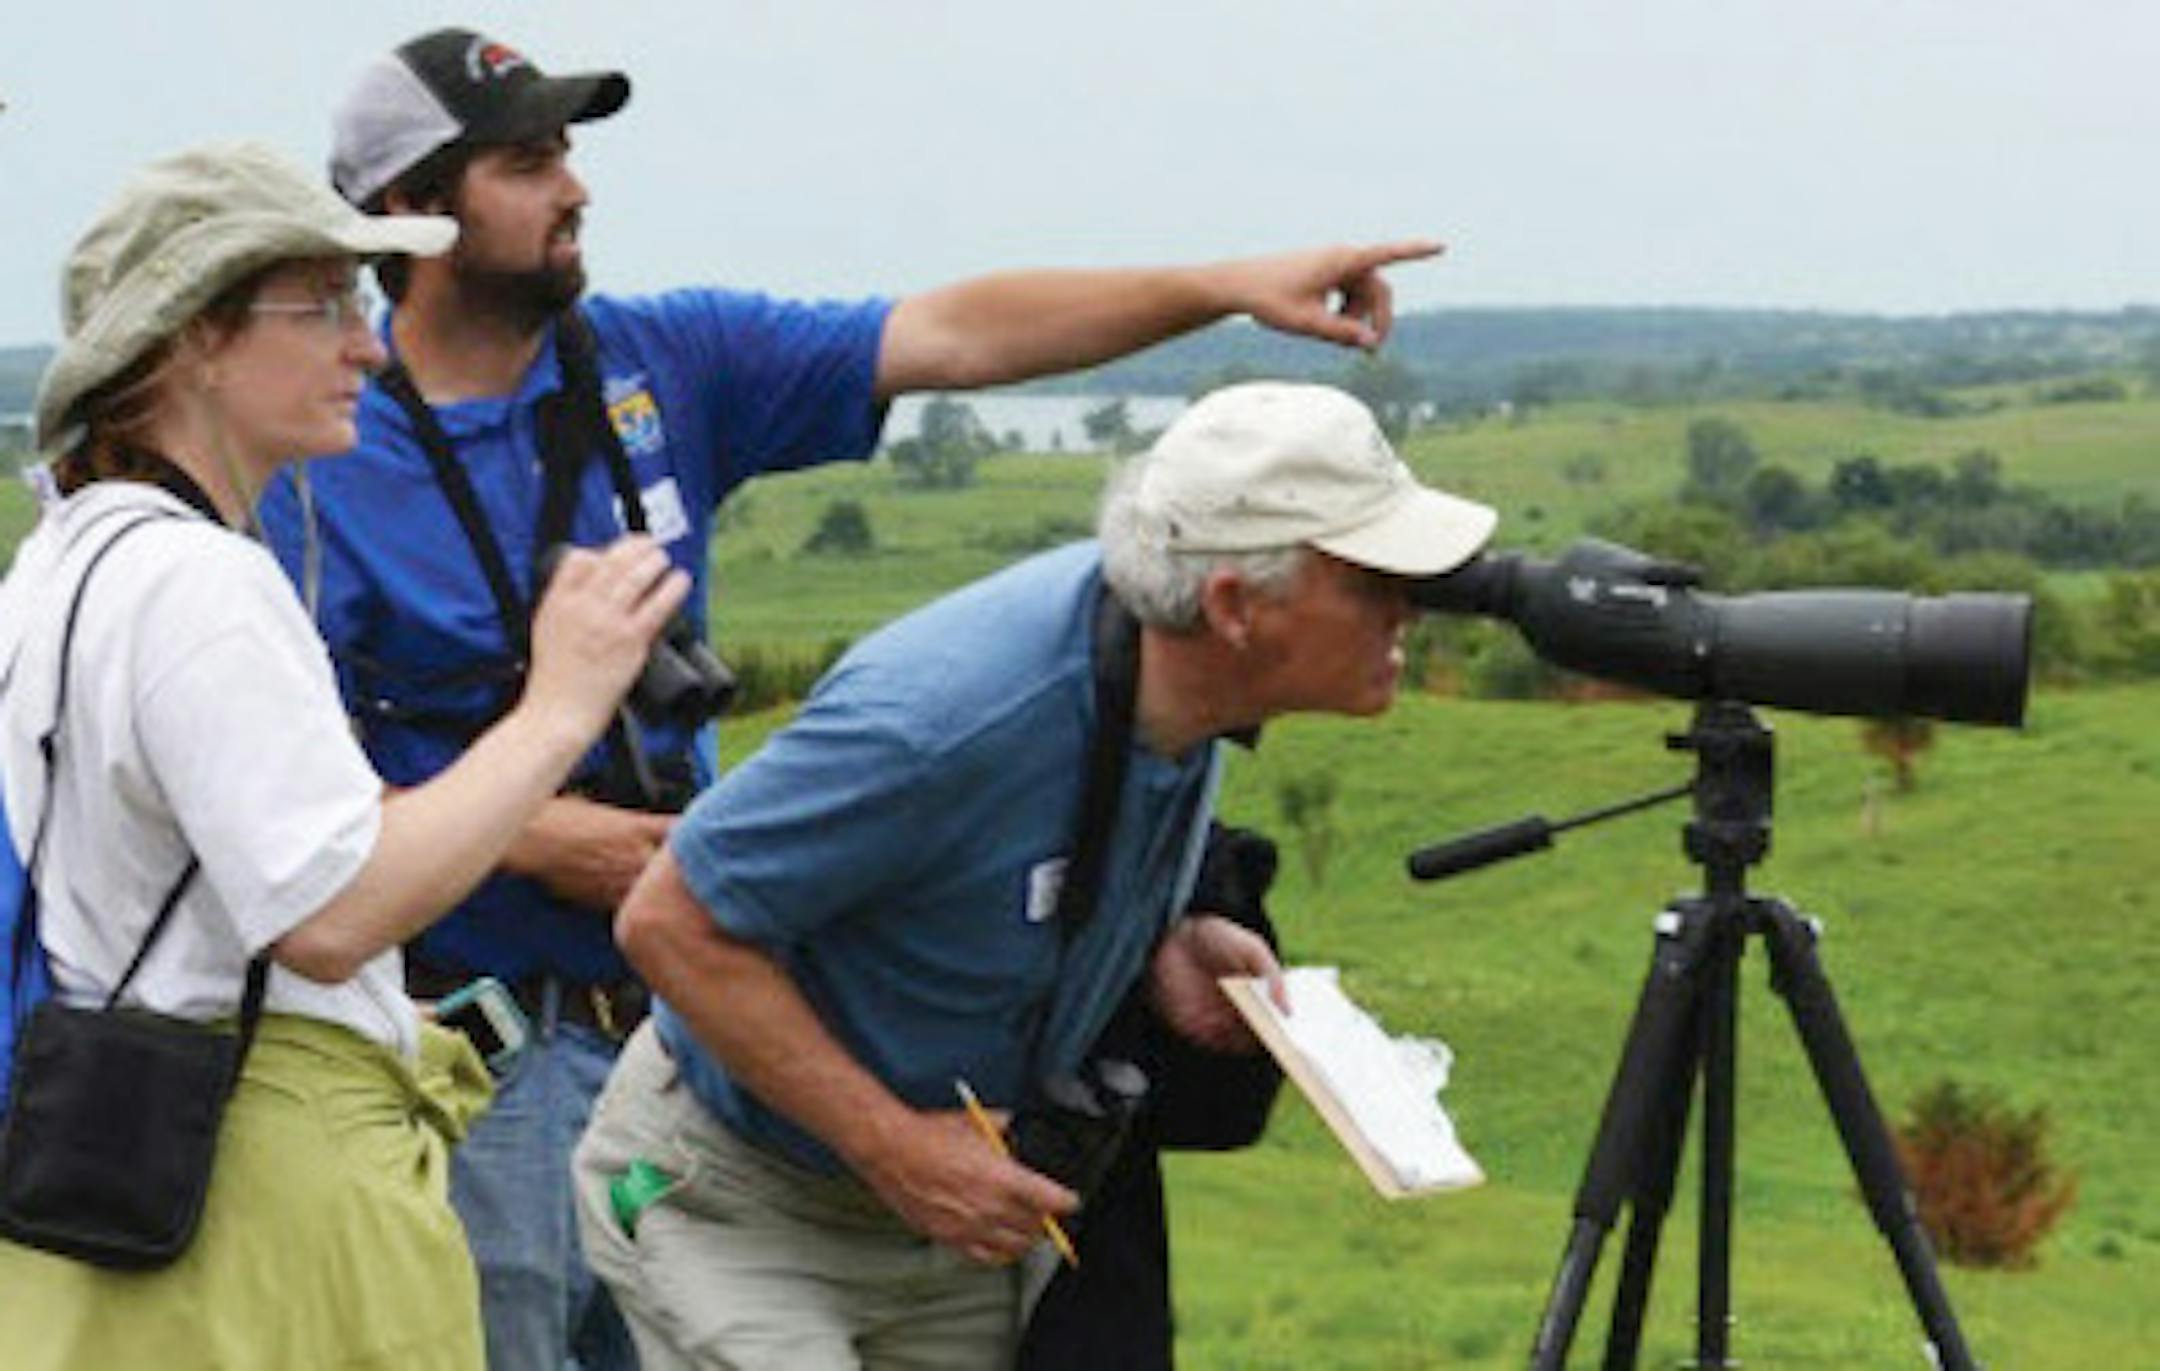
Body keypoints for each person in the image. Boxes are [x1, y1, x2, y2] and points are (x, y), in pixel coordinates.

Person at [254, 26, 1445, 1370]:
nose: (575, 189)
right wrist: (534, 832)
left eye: (568, 154)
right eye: (526, 164)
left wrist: (1226, 288)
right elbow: (273, 804)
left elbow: (950, 333)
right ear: (411, 209)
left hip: (692, 1022)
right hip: (484, 1052)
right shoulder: (318, 459)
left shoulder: (658, 360)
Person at [571, 380, 1500, 1368]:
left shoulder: (1170, 675)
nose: (1409, 607)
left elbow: (1037, 856)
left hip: (952, 1234)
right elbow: (669, 921)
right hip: (738, 1198)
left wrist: (1165, 934)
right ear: (1234, 605)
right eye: (1370, 579)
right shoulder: (943, 718)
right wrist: (897, 1147)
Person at [0, 143, 683, 1370]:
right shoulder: (200, 583)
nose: (368, 346)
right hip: (265, 1178)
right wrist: (560, 707)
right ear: (192, 337)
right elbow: (330, 912)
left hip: (133, 1146)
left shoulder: (64, 562)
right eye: (322, 306)